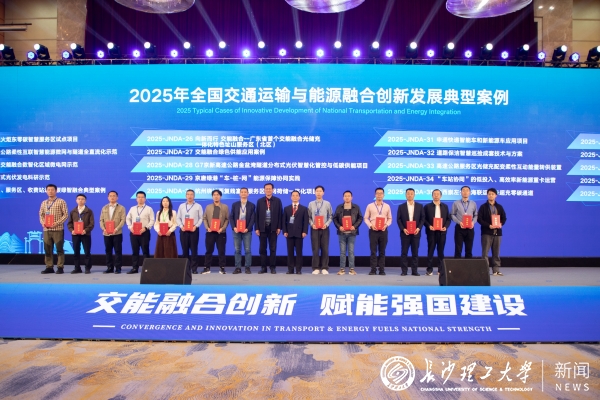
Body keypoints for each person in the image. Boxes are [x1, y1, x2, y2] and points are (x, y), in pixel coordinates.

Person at [39, 184, 68, 274]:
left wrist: (56, 223)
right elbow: (41, 214)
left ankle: (60, 267)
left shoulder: (61, 201)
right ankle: (49, 267)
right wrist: (43, 222)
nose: (50, 191)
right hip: (46, 230)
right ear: (46, 191)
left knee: (59, 249)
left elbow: (65, 215)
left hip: (58, 229)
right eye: (48, 190)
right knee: (47, 249)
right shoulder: (44, 203)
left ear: (56, 191)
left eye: (52, 190)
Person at [332, 190, 363, 275]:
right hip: (342, 233)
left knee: (351, 251)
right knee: (342, 252)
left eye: (349, 196)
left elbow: (360, 218)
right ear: (343, 197)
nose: (347, 197)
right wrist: (339, 227)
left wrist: (354, 226)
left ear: (352, 197)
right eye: (345, 196)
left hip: (352, 233)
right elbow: (335, 218)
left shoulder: (356, 207)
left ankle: (351, 269)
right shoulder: (339, 207)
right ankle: (342, 269)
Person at [478, 188, 507, 276]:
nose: (491, 195)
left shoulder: (499, 207)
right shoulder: (483, 207)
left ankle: (496, 270)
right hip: (486, 232)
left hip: (497, 233)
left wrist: (501, 224)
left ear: (496, 196)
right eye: (489, 194)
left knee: (496, 253)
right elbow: (479, 219)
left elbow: (504, 218)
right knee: (485, 253)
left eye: (492, 194)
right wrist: (488, 225)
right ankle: (485, 270)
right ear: (487, 195)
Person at [255, 182, 283, 274]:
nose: (268, 190)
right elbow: (257, 215)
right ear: (264, 190)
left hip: (273, 228)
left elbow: (280, 215)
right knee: (262, 249)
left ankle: (272, 267)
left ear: (273, 190)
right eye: (266, 189)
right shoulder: (260, 201)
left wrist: (279, 227)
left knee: (273, 248)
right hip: (262, 228)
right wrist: (257, 228)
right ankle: (263, 267)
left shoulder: (277, 201)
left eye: (270, 189)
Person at [364, 187, 393, 275]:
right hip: (373, 231)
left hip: (383, 231)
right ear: (375, 195)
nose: (379, 195)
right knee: (373, 251)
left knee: (382, 251)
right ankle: (373, 269)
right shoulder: (370, 206)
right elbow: (366, 218)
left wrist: (386, 225)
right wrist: (370, 225)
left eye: (381, 193)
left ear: (384, 195)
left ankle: (381, 269)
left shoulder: (387, 206)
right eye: (377, 193)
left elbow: (390, 218)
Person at [397, 188, 425, 276]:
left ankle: (414, 271)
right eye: (408, 193)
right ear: (405, 195)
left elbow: (422, 218)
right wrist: (403, 229)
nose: (410, 195)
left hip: (416, 233)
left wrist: (418, 228)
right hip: (405, 233)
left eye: (411, 193)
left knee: (415, 252)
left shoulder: (420, 206)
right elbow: (398, 219)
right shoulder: (401, 206)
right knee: (404, 252)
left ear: (414, 195)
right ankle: (404, 271)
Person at [125, 191, 154, 274]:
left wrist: (146, 228)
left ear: (145, 199)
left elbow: (152, 220)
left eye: (142, 197)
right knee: (135, 251)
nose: (140, 199)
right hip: (134, 232)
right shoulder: (132, 208)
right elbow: (128, 219)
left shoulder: (149, 209)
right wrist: (130, 227)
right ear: (136, 199)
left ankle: (147, 269)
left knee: (145, 251)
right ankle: (135, 268)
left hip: (144, 232)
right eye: (139, 197)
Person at [424, 189, 451, 276]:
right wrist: (429, 226)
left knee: (441, 251)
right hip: (431, 232)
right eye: (434, 194)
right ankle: (429, 269)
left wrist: (445, 227)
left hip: (442, 232)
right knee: (430, 250)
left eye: (438, 194)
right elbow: (423, 219)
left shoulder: (445, 206)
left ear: (441, 196)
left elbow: (448, 219)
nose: (436, 195)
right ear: (432, 196)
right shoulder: (427, 206)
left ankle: (441, 269)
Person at [308, 185, 333, 274]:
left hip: (324, 229)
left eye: (320, 191)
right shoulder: (311, 204)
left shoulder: (327, 203)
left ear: (323, 193)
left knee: (325, 248)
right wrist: (312, 224)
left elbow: (331, 216)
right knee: (315, 248)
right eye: (317, 191)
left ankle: (324, 267)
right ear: (315, 193)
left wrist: (326, 224)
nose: (318, 193)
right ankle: (316, 268)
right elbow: (308, 217)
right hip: (314, 229)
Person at [202, 189, 229, 274]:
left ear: (220, 196)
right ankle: (207, 267)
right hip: (210, 232)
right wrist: (207, 228)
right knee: (209, 250)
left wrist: (222, 228)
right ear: (212, 197)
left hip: (221, 233)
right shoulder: (208, 207)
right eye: (214, 195)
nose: (216, 196)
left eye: (217, 195)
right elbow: (204, 218)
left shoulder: (225, 207)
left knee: (221, 250)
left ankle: (222, 267)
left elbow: (227, 219)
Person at [66, 193, 95, 274]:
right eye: (79, 199)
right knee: (76, 252)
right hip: (75, 234)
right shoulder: (73, 211)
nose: (80, 200)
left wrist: (85, 230)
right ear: (76, 200)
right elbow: (69, 223)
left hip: (85, 234)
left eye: (82, 199)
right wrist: (72, 230)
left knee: (87, 251)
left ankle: (87, 268)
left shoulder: (89, 211)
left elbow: (91, 224)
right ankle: (77, 268)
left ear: (85, 201)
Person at [176, 189, 203, 274]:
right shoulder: (181, 206)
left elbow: (201, 218)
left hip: (194, 230)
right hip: (184, 230)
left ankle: (194, 268)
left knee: (194, 250)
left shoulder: (198, 206)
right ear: (186, 196)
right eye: (188, 194)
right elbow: (178, 218)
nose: (189, 196)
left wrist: (196, 226)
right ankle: (186, 269)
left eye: (191, 194)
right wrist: (181, 226)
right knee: (185, 250)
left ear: (194, 196)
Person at [99, 191, 126, 274]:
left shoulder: (121, 208)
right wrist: (103, 228)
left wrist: (117, 229)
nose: (112, 197)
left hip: (117, 233)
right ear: (108, 197)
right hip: (106, 233)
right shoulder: (104, 208)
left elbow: (123, 220)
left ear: (117, 197)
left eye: (114, 196)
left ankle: (118, 267)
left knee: (118, 250)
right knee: (108, 250)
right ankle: (109, 267)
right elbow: (101, 220)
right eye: (110, 196)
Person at [282, 190, 309, 274]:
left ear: (299, 197)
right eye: (293, 195)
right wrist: (284, 231)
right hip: (289, 233)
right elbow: (284, 221)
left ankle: (298, 269)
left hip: (299, 233)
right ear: (291, 197)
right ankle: (290, 269)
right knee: (290, 252)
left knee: (299, 252)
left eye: (296, 195)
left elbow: (306, 221)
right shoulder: (286, 208)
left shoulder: (304, 208)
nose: (295, 197)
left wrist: (304, 231)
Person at [230, 187, 255, 274]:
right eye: (242, 192)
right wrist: (234, 227)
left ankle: (247, 267)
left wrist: (248, 228)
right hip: (236, 230)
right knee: (237, 250)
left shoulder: (251, 205)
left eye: (245, 192)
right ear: (239, 194)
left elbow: (252, 218)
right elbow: (231, 217)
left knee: (247, 250)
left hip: (247, 230)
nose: (243, 193)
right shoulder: (235, 204)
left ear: (248, 194)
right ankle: (238, 268)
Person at [451, 186, 478, 258]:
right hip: (459, 228)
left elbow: (476, 215)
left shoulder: (473, 203)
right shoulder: (456, 203)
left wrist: (473, 222)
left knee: (469, 249)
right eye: (463, 190)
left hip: (470, 228)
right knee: (458, 249)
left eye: (467, 190)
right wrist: (459, 222)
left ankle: (468, 265)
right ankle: (457, 264)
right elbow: (452, 214)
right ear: (461, 192)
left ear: (470, 192)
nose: (465, 192)